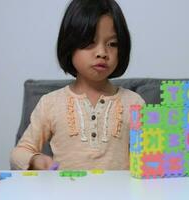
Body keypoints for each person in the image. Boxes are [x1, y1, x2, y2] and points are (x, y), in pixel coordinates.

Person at [10, 0, 145, 170]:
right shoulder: (50, 103)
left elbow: (149, 157)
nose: (102, 53)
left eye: (112, 44)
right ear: (69, 45)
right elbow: (19, 152)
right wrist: (36, 160)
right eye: (90, 42)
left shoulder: (135, 103)